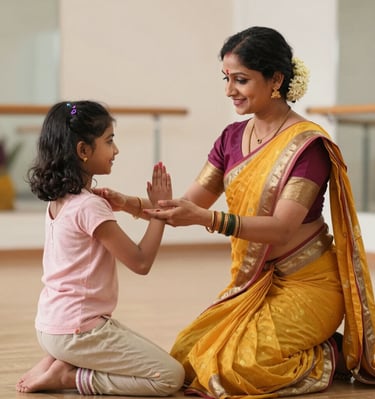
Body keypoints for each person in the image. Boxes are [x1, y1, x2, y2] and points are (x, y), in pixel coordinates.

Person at [95, 26, 375, 397]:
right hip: (255, 283)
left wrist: (207, 219)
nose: (229, 91)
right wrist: (128, 203)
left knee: (235, 369)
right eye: (226, 79)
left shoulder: (307, 146)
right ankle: (313, 346)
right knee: (189, 358)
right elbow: (189, 203)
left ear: (276, 79)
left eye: (241, 80)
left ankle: (328, 353)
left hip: (310, 284)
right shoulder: (230, 139)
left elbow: (281, 230)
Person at [15, 100, 185, 396]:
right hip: (77, 333)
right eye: (109, 141)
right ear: (83, 150)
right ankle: (68, 377)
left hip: (51, 327)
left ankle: (59, 361)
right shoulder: (90, 205)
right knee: (170, 376)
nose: (115, 150)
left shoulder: (63, 200)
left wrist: (137, 205)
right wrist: (159, 209)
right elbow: (141, 262)